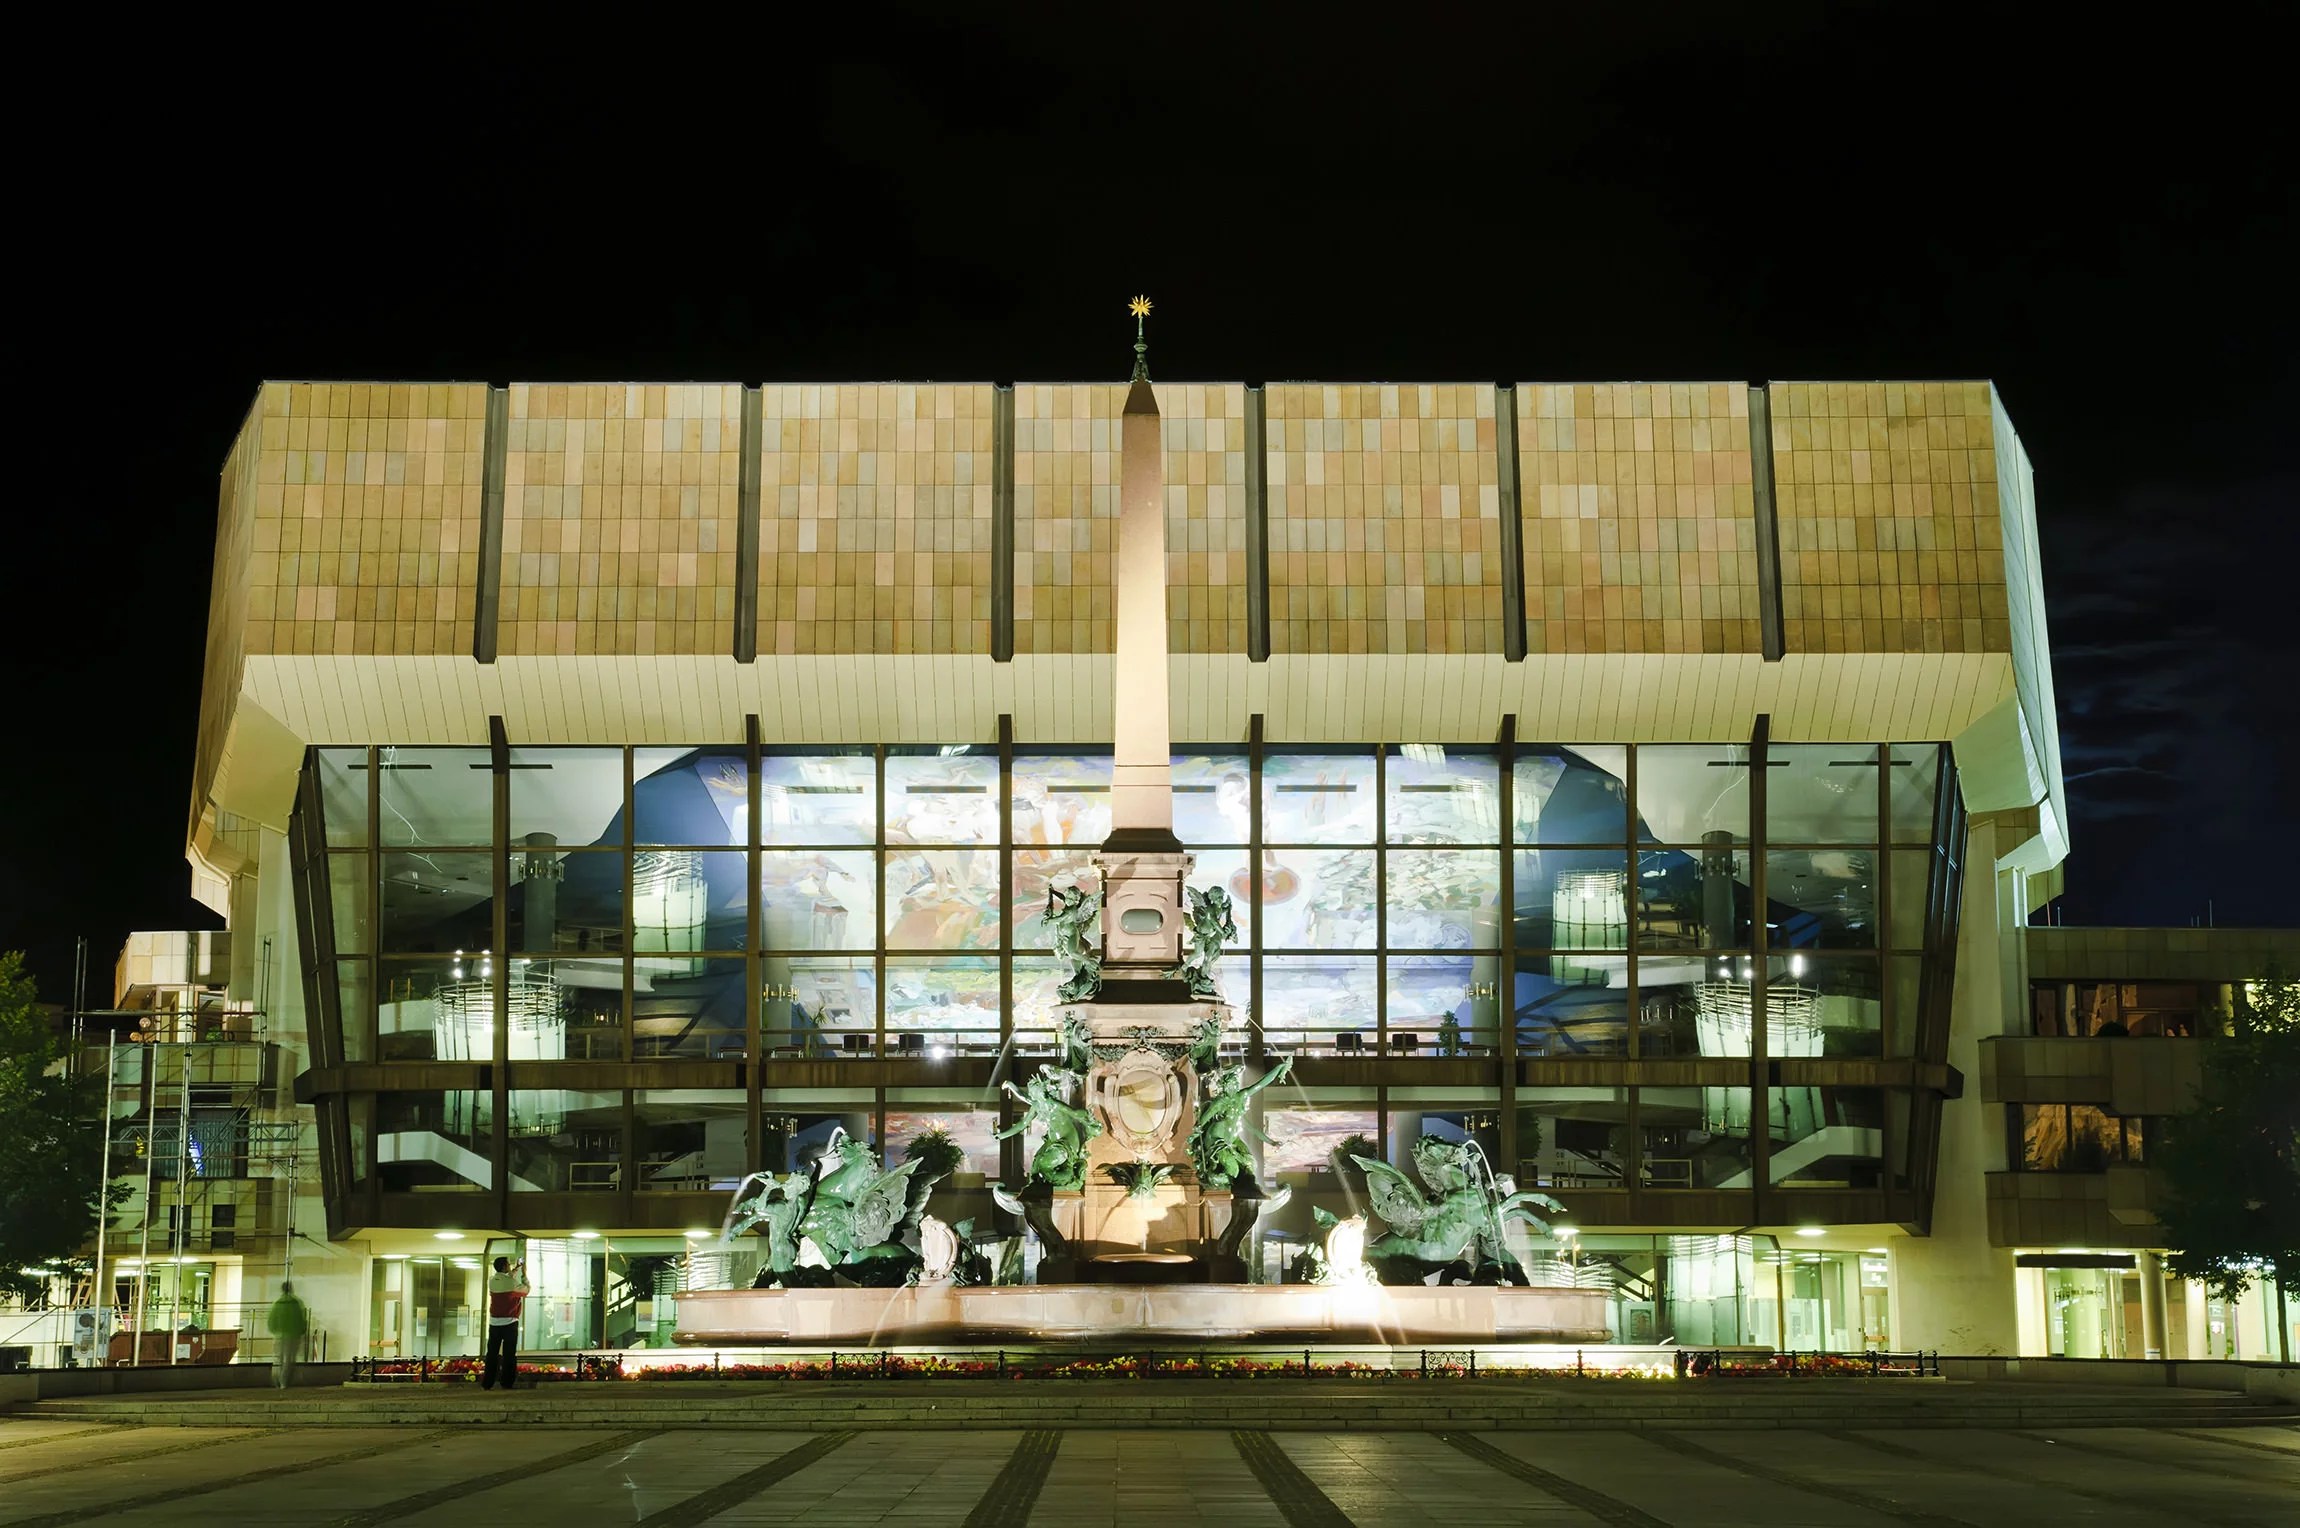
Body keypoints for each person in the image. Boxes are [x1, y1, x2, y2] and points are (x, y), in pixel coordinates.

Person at [482, 1255, 528, 1391]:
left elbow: (506, 1280)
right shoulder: (511, 1283)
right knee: (509, 1354)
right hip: (509, 1322)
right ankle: (507, 1382)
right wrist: (524, 1274)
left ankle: (488, 1382)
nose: (509, 1266)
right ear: (504, 1266)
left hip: (494, 1323)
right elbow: (525, 1290)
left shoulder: (491, 1280)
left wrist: (515, 1270)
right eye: (508, 1265)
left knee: (492, 1353)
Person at [265, 1281, 309, 1390]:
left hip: (279, 1336)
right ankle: (284, 1382)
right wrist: (301, 1331)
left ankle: (276, 1379)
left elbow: (271, 1321)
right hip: (293, 1336)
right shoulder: (296, 1303)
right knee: (288, 1359)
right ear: (291, 1289)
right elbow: (302, 1320)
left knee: (277, 1358)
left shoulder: (277, 1303)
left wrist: (275, 1331)